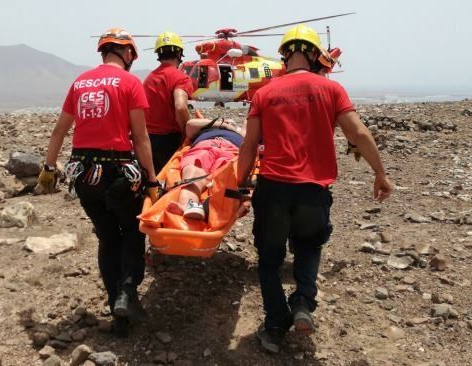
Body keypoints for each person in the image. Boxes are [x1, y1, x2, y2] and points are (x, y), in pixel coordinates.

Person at [236, 24, 394, 354]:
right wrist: (380, 173)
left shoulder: (264, 93)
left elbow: (249, 145)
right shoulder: (331, 90)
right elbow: (359, 134)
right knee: (309, 247)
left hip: (274, 190)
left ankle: (276, 323)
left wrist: (241, 187)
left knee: (269, 260)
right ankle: (303, 302)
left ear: (285, 54)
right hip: (313, 193)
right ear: (312, 54)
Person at [36, 27, 160, 338]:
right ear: (127, 53)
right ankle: (126, 293)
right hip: (119, 174)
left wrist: (49, 167)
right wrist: (153, 179)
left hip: (83, 175)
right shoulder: (131, 82)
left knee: (107, 238)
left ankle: (118, 316)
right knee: (133, 230)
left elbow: (59, 131)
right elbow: (141, 138)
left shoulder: (80, 82)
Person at [165, 117, 244, 220]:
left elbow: (253, 136)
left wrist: (235, 129)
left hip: (232, 150)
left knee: (225, 172)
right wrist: (224, 124)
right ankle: (188, 205)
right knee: (194, 168)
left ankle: (210, 204)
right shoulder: (208, 128)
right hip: (206, 145)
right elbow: (190, 124)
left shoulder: (241, 134)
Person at [143, 31, 194, 172]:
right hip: (170, 141)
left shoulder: (149, 78)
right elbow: (180, 106)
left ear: (159, 54)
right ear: (179, 53)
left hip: (148, 141)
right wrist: (187, 132)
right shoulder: (180, 78)